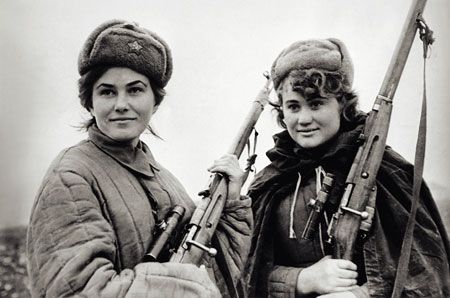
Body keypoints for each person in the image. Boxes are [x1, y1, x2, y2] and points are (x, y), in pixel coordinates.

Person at [26, 19, 252, 297]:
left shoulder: (165, 180)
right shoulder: (71, 176)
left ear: (155, 102)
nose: (122, 105)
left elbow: (217, 271)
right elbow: (75, 290)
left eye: (135, 90)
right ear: (89, 101)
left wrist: (229, 203)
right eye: (107, 91)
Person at [242, 38, 450, 297]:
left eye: (316, 103)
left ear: (342, 104)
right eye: (293, 106)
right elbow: (242, 274)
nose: (304, 119)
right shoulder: (270, 182)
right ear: (281, 111)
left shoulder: (385, 172)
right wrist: (300, 280)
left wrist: (361, 295)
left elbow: (428, 274)